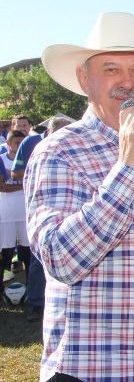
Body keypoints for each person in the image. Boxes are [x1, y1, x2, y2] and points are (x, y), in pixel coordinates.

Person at [25, 12, 134, 381]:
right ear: (84, 80)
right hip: (92, 370)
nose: (127, 82)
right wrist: (126, 167)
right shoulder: (59, 152)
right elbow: (61, 259)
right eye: (110, 69)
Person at [12, 116, 73, 323]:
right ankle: (35, 304)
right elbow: (17, 171)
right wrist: (43, 172)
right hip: (41, 206)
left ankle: (58, 303)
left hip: (70, 206)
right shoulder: (31, 142)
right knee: (40, 257)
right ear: (49, 132)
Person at [0, 130, 27, 284]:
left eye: (22, 143)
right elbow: (2, 187)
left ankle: (31, 289)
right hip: (6, 215)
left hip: (25, 214)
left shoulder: (29, 159)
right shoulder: (1, 159)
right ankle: (3, 286)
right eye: (17, 142)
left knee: (27, 253)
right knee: (6, 253)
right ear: (8, 143)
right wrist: (25, 184)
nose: (20, 146)